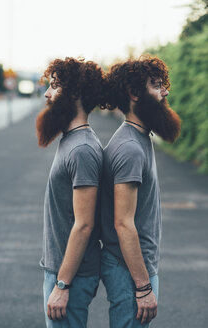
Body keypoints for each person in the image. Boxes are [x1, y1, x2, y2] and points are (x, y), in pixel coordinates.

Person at [100, 55, 181, 328]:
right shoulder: (130, 148)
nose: (165, 91)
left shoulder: (138, 138)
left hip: (132, 269)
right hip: (130, 272)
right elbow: (123, 224)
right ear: (134, 93)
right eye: (156, 85)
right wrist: (143, 287)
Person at [36, 57, 104, 328]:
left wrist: (62, 285)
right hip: (62, 270)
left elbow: (84, 224)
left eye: (54, 86)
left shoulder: (82, 150)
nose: (47, 94)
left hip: (70, 276)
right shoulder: (72, 141)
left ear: (74, 94)